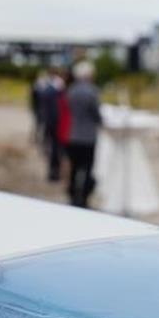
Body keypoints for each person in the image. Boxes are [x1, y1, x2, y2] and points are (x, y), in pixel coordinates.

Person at [66, 60, 102, 208]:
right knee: (87, 168)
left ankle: (73, 196)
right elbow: (96, 114)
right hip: (88, 136)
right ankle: (84, 198)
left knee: (74, 168)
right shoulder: (92, 91)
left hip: (73, 134)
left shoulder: (71, 90)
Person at [40, 69, 65, 182]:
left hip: (49, 122)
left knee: (52, 148)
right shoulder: (55, 90)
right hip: (55, 123)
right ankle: (53, 172)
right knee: (55, 149)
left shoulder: (47, 89)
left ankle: (53, 171)